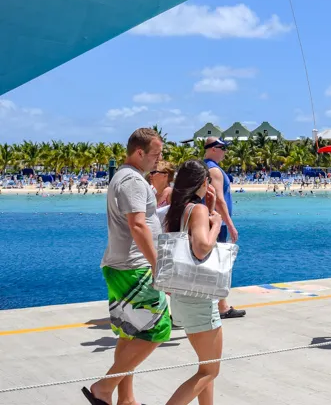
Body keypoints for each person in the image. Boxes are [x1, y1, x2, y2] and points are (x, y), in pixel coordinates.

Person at [84, 128, 169, 405]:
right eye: (156, 154)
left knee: (130, 332)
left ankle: (127, 400)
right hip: (135, 268)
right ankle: (104, 389)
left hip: (122, 265)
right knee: (158, 330)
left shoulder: (124, 177)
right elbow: (137, 224)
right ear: (139, 152)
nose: (159, 160)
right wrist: (157, 265)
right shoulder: (132, 180)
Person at [163, 161, 224, 405]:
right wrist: (216, 224)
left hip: (181, 296)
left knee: (205, 367)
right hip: (199, 297)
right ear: (201, 183)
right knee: (210, 371)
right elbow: (201, 248)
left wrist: (208, 208)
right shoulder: (195, 210)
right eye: (207, 181)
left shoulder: (176, 211)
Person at [203, 138, 245, 320]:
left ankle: (220, 304)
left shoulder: (204, 167)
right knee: (219, 265)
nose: (225, 152)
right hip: (215, 224)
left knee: (211, 263)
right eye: (223, 148)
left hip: (208, 221)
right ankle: (221, 306)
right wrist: (230, 224)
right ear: (213, 149)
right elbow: (219, 199)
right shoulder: (214, 170)